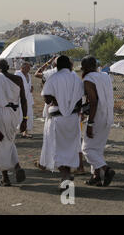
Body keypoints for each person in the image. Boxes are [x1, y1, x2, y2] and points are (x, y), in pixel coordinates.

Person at [40, 55, 84, 189]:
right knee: (70, 148)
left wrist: (56, 99)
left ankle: (65, 175)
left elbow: (47, 99)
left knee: (57, 148)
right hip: (72, 118)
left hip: (57, 118)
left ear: (57, 66)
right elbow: (80, 100)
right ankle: (67, 174)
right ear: (69, 65)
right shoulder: (76, 78)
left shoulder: (53, 78)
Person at [81, 56, 115, 187]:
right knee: (97, 149)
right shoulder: (105, 76)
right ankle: (96, 176)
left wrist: (90, 123)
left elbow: (94, 102)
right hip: (108, 117)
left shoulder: (89, 79)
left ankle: (106, 170)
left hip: (97, 118)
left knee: (87, 149)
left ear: (86, 67)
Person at [0, 59, 27, 186]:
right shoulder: (18, 79)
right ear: (8, 67)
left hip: (0, 114)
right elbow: (23, 100)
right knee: (9, 141)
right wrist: (25, 119)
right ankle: (17, 166)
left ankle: (5, 178)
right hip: (15, 114)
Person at [15, 61, 34, 139]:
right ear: (22, 68)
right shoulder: (17, 74)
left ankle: (25, 132)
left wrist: (31, 88)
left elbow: (29, 85)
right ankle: (18, 130)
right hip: (20, 98)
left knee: (28, 114)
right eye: (27, 68)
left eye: (29, 68)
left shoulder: (29, 75)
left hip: (28, 98)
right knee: (19, 115)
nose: (29, 69)